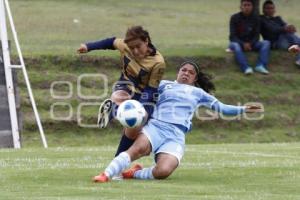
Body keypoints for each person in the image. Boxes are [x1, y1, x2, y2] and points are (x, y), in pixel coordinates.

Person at [92, 61, 263, 183]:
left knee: (163, 172)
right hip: (157, 126)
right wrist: (121, 96)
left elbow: (223, 108)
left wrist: (243, 109)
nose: (186, 73)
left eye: (190, 72)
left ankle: (133, 174)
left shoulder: (199, 93)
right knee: (137, 148)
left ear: (195, 78)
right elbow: (138, 91)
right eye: (183, 70)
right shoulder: (164, 85)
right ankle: (106, 174)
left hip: (176, 135)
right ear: (178, 72)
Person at [77, 26, 166, 157]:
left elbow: (151, 89)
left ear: (146, 41)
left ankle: (118, 161)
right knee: (120, 94)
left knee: (134, 129)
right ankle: (111, 110)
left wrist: (140, 107)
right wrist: (88, 46)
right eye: (131, 48)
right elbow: (110, 42)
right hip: (126, 86)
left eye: (138, 46)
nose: (135, 51)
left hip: (145, 95)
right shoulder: (124, 45)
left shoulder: (158, 62)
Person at [229, 0, 271, 75]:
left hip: (252, 44)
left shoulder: (256, 18)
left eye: (249, 5)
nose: (247, 7)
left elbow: (256, 35)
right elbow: (232, 36)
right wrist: (243, 44)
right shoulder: (234, 18)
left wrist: (250, 44)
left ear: (252, 7)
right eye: (245, 5)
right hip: (237, 43)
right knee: (236, 45)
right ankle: (246, 68)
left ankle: (260, 65)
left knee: (266, 43)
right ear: (240, 7)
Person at [260, 0, 300, 66]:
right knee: (286, 33)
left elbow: (285, 26)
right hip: (275, 43)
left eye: (272, 8)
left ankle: (299, 60)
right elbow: (272, 29)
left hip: (286, 42)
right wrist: (285, 29)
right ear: (263, 10)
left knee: (289, 34)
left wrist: (290, 28)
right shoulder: (262, 19)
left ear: (274, 10)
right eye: (268, 8)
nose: (270, 10)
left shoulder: (278, 18)